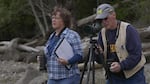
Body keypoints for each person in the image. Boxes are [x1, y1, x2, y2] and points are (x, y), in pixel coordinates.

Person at [95, 3, 146, 84]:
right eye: (100, 20)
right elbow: (100, 60)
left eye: (105, 18)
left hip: (133, 76)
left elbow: (136, 55)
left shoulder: (128, 30)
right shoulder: (102, 33)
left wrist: (121, 65)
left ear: (114, 15)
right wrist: (97, 54)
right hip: (113, 76)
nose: (104, 22)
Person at [44, 7, 83, 84]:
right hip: (52, 77)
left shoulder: (72, 35)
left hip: (68, 77)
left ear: (64, 21)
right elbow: (50, 55)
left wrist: (68, 61)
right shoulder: (52, 36)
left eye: (56, 18)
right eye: (53, 18)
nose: (53, 20)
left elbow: (79, 55)